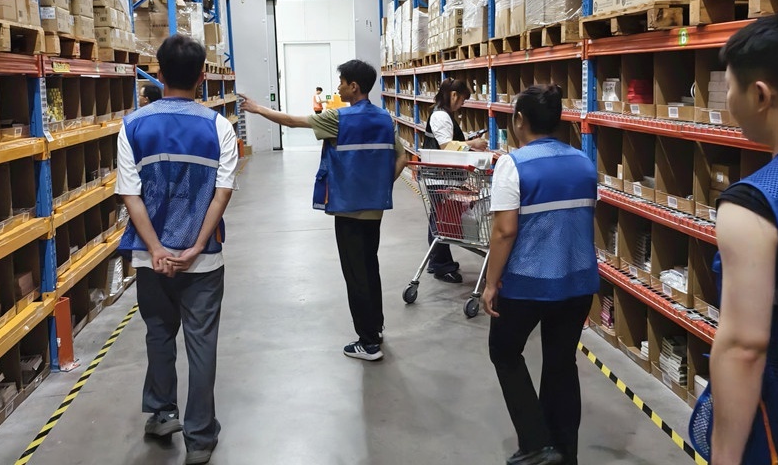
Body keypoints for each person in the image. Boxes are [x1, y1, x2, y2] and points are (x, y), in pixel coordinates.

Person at [116, 34, 239, 465]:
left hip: (151, 259)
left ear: (158, 73)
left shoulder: (133, 126)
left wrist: (156, 249)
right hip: (202, 260)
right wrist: (197, 246)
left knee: (158, 333)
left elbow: (130, 194)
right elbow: (222, 192)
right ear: (203, 76)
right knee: (202, 344)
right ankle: (200, 437)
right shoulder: (219, 127)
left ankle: (163, 413)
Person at [240, 60, 408, 361]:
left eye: (342, 82)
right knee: (370, 268)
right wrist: (381, 187)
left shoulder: (338, 118)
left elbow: (292, 121)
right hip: (374, 208)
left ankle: (368, 342)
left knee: (356, 275)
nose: (338, 87)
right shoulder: (385, 118)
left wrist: (258, 109)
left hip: (348, 210)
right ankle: (376, 327)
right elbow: (402, 159)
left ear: (354, 86)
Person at [482, 84, 599, 465]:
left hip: (527, 282)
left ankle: (535, 443)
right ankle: (564, 453)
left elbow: (504, 231)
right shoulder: (583, 162)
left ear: (520, 120)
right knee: (561, 363)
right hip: (577, 281)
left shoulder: (513, 164)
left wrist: (491, 283)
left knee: (504, 351)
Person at [699, 15, 778, 465]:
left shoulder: (753, 204)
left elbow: (745, 347)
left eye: (729, 87)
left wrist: (725, 457)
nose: (728, 99)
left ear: (760, 96)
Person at [422, 78, 488, 282]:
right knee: (442, 221)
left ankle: (436, 261)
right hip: (440, 177)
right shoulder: (441, 116)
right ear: (453, 95)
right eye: (462, 100)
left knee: (439, 218)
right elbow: (446, 147)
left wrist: (466, 140)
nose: (462, 105)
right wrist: (473, 143)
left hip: (441, 176)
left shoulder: (443, 114)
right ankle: (441, 266)